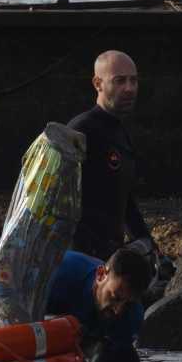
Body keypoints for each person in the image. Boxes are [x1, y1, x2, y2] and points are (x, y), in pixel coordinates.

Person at [68, 50, 160, 267]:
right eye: (119, 81)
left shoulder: (120, 132)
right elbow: (55, 204)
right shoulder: (81, 131)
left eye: (133, 81)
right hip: (80, 260)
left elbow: (124, 200)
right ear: (97, 83)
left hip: (109, 258)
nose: (129, 88)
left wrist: (148, 244)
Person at [43, 248, 153, 362]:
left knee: (125, 360)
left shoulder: (132, 315)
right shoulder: (59, 277)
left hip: (87, 328)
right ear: (101, 275)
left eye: (128, 303)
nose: (118, 310)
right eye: (115, 298)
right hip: (38, 272)